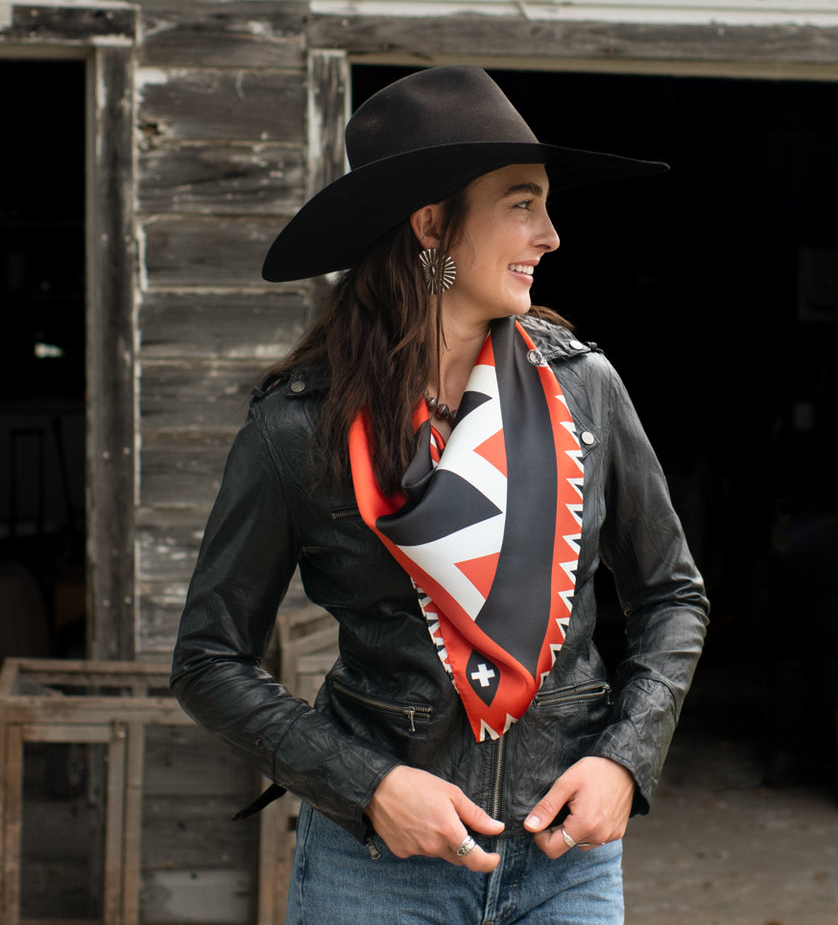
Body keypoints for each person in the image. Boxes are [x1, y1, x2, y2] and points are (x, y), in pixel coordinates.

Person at [171, 64, 709, 925]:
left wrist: (625, 759)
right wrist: (368, 784)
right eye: (522, 203)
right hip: (377, 866)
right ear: (431, 225)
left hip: (565, 860)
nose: (552, 235)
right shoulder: (295, 431)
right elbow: (207, 659)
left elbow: (672, 595)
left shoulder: (587, 392)